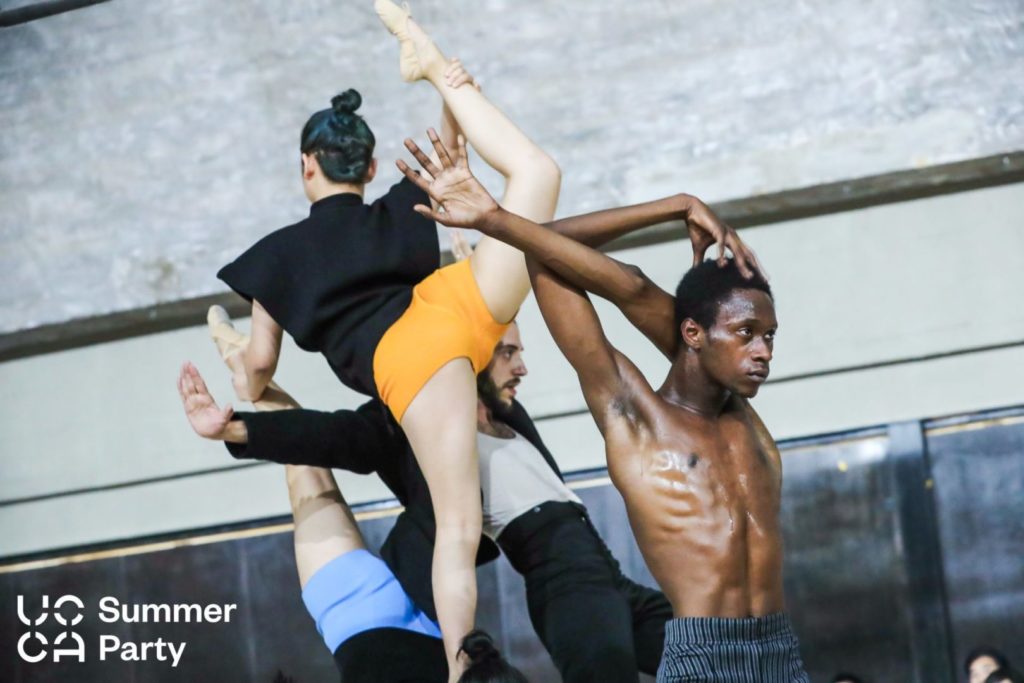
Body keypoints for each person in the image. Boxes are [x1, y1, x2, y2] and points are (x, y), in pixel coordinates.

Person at [212, 4, 562, 673]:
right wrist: (448, 96)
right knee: (536, 178)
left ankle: (462, 667)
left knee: (457, 532)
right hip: (454, 304)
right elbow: (449, 154)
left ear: (306, 167)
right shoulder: (399, 204)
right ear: (370, 170)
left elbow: (260, 368)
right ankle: (439, 68)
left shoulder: (274, 259)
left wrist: (247, 382)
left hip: (411, 358)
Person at [395, 134, 808, 681]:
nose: (763, 352)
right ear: (693, 333)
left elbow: (636, 294)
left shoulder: (746, 423)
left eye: (770, 337)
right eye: (747, 333)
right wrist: (674, 205)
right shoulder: (637, 418)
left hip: (781, 651)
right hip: (703, 654)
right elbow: (552, 250)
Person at [194, 303, 674, 682]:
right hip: (537, 585)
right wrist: (235, 429)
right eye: (509, 353)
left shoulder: (507, 414)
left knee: (713, 652)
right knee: (310, 481)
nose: (523, 366)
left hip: (607, 575)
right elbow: (323, 437)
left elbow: (482, 312)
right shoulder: (406, 421)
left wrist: (480, 264)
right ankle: (251, 377)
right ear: (476, 357)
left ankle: (251, 375)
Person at [177, 364, 526, 683]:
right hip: (399, 615)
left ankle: (252, 372)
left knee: (304, 469)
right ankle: (253, 375)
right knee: (308, 473)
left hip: (366, 615)